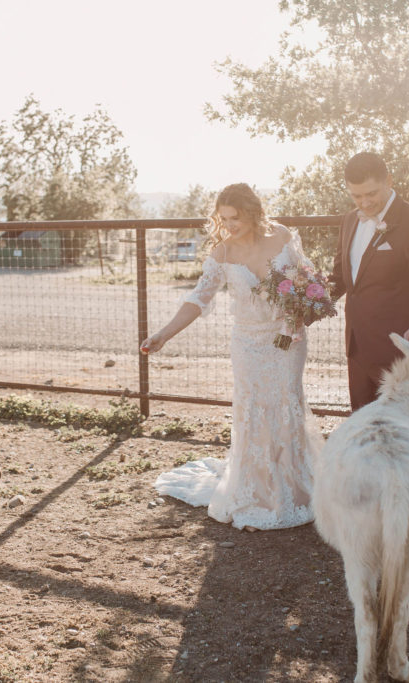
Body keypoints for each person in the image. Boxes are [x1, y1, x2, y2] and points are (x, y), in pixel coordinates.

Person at [140, 183, 321, 531]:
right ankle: (257, 495)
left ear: (252, 212)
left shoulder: (282, 235)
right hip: (248, 344)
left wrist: (302, 310)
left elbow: (309, 279)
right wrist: (163, 334)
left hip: (286, 337)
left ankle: (295, 489)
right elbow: (197, 298)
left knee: (286, 404)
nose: (229, 225)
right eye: (223, 219)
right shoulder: (222, 253)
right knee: (254, 412)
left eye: (235, 218)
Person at [328, 152, 409, 411]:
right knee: (364, 432)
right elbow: (340, 278)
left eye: (371, 193)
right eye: (356, 196)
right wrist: (306, 301)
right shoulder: (348, 221)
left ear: (389, 180)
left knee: (399, 434)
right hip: (357, 348)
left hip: (397, 352)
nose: (364, 203)